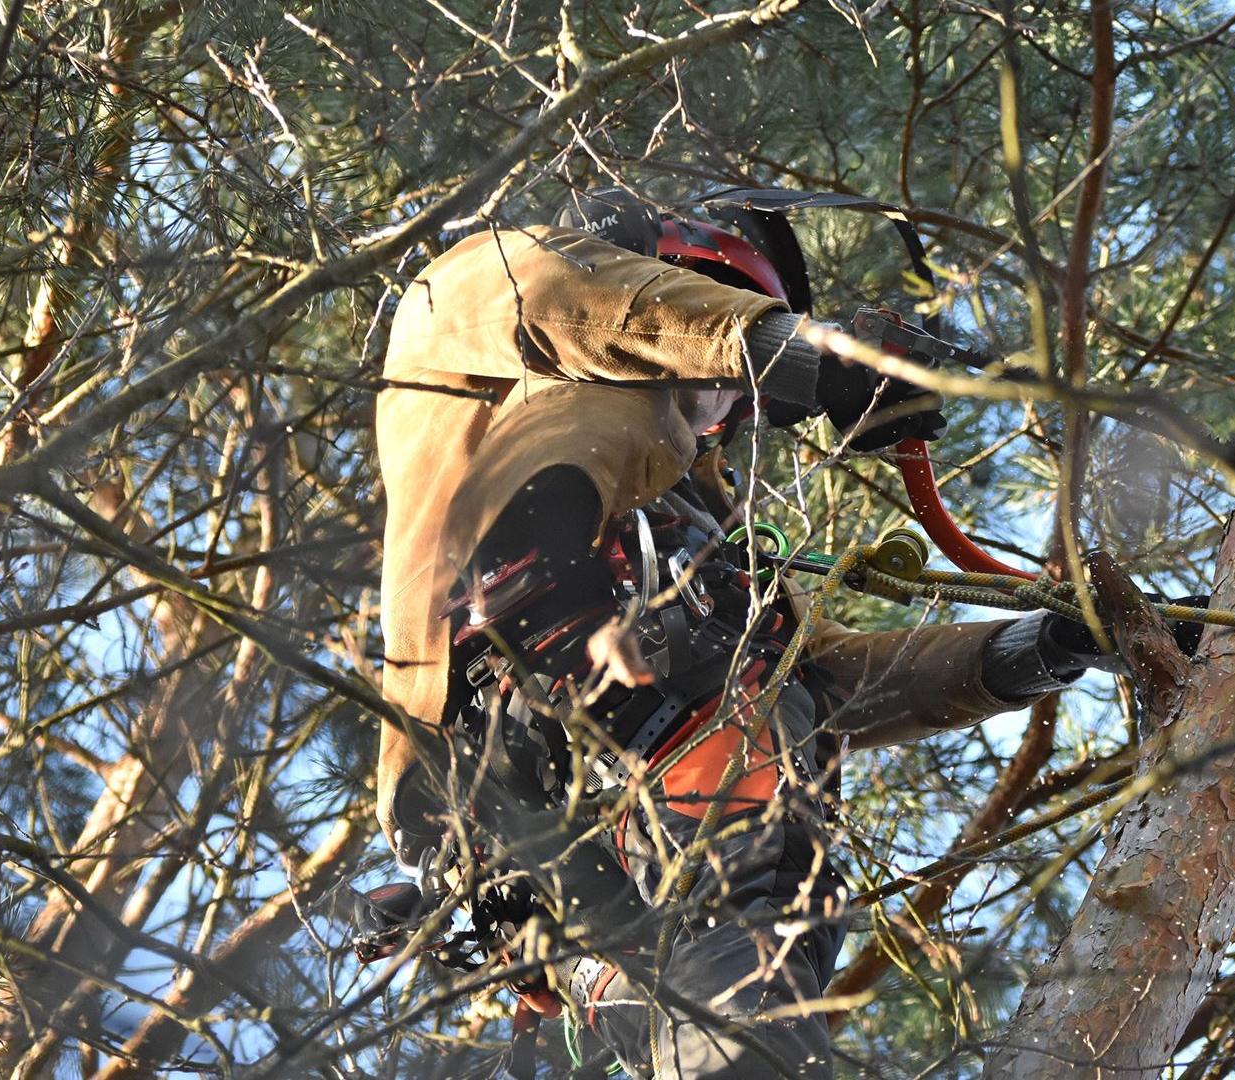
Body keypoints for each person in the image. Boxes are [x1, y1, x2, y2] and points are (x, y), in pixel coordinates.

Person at [371, 192, 1114, 1079]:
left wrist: (1041, 649)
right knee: (750, 940)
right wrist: (806, 356)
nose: (722, 408)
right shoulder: (483, 294)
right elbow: (571, 299)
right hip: (549, 709)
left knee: (729, 963)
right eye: (722, 361)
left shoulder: (693, 516)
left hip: (588, 830)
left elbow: (831, 676)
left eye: (736, 403)